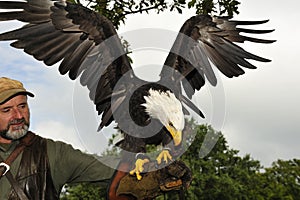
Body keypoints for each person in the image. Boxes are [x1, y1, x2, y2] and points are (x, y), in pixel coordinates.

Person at [0, 77, 116, 199]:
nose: (18, 115)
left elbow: (111, 169)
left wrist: (136, 160)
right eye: (7, 110)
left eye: (22, 106)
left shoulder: (52, 153)